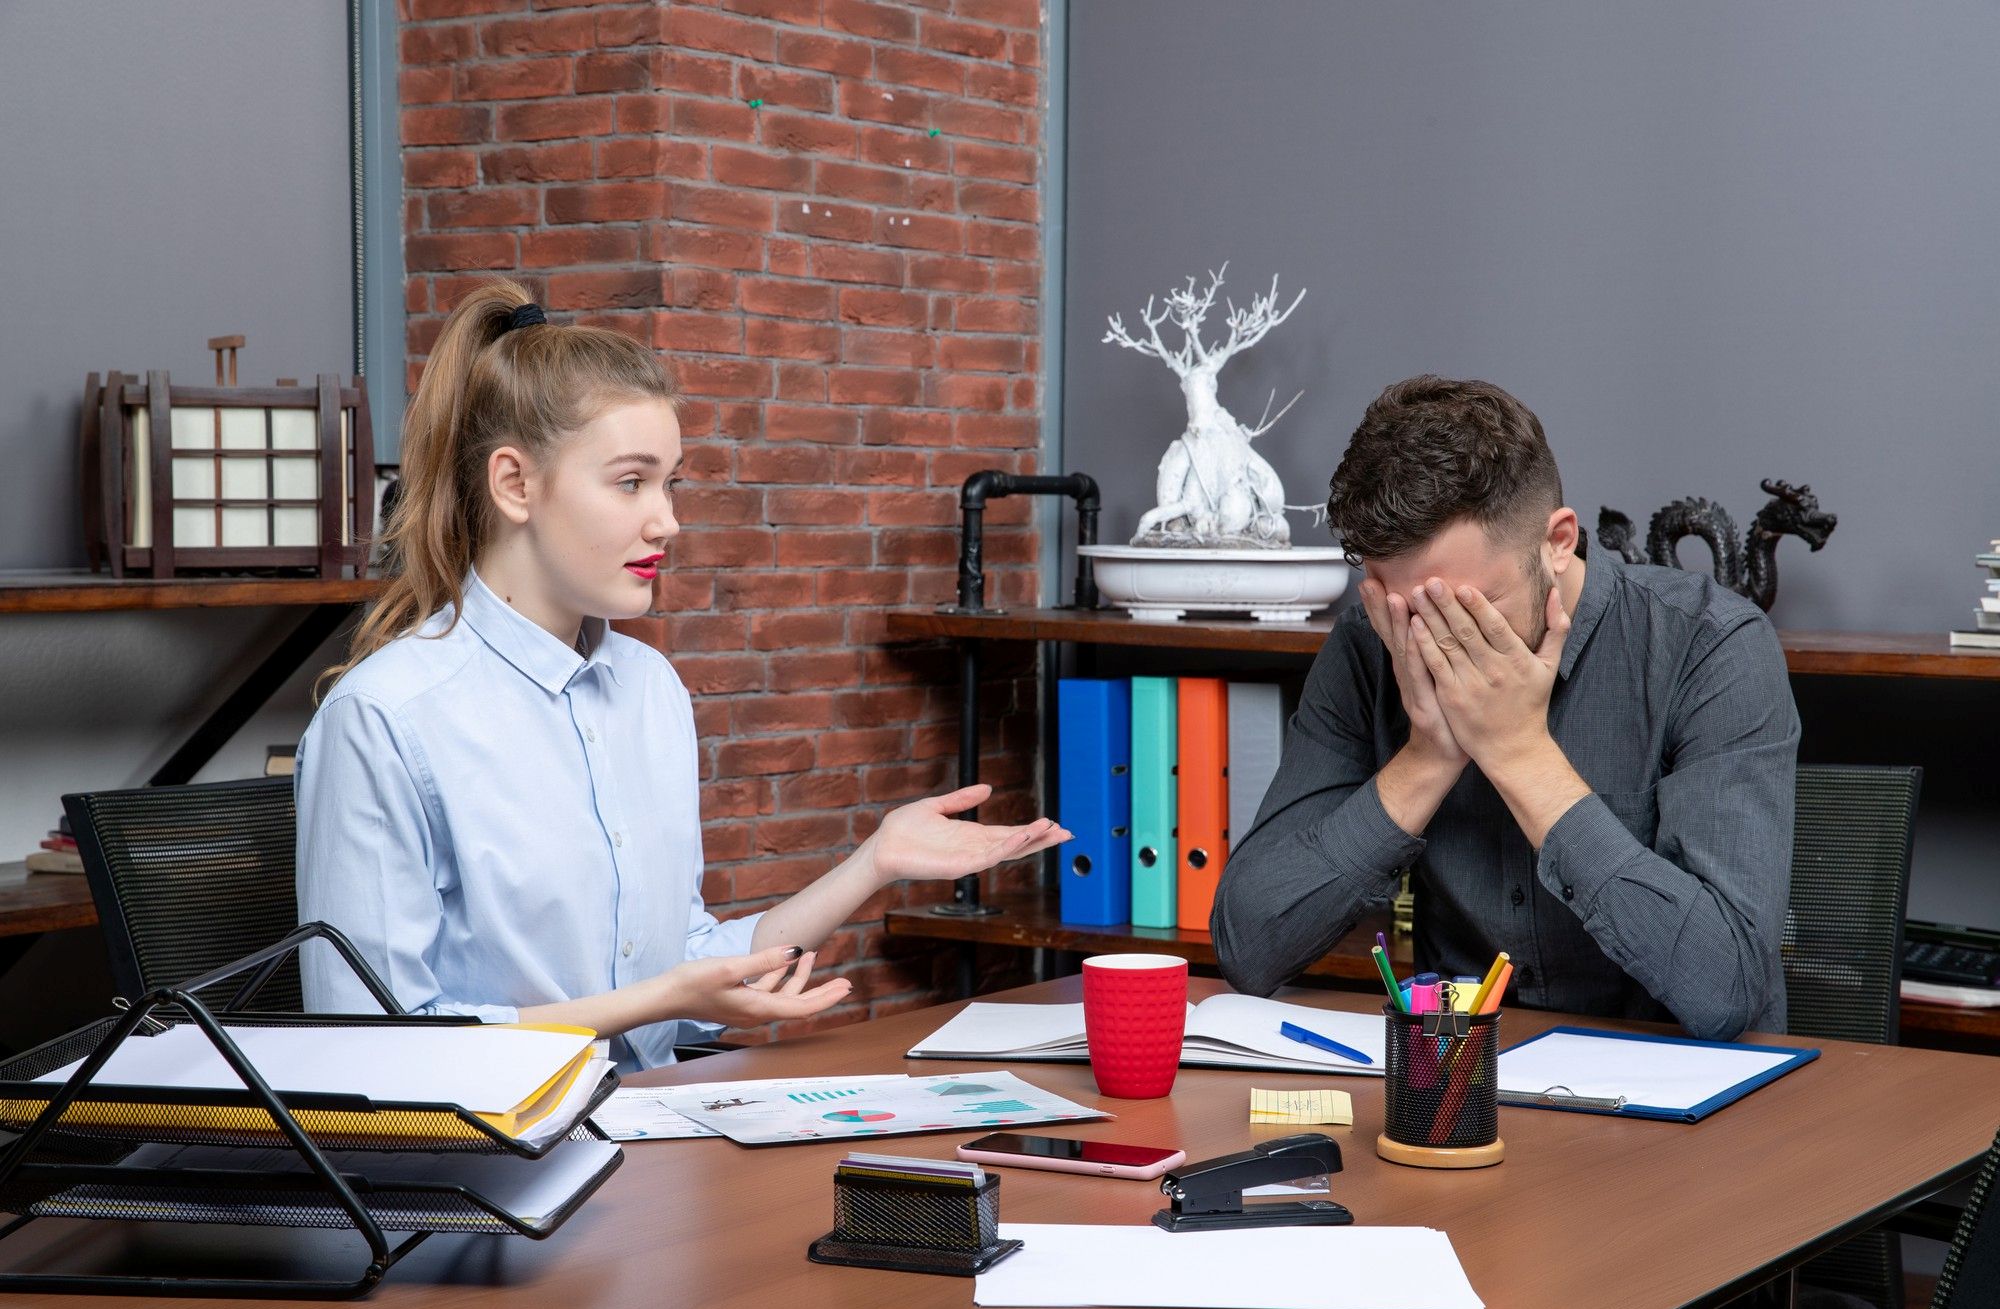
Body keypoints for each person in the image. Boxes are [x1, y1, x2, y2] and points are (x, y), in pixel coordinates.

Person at [297, 280, 1069, 1068]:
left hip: (652, 1132)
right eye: (631, 482)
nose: (666, 519)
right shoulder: (385, 717)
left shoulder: (649, 688)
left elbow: (688, 961)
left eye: (670, 483)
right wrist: (662, 1002)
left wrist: (875, 860)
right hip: (481, 1174)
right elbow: (369, 1044)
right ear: (515, 484)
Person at [1212, 375, 1799, 1040]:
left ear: (1557, 542)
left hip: (1696, 1111)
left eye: (1465, 610)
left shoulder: (1710, 645)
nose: (1435, 645)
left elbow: (1726, 988)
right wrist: (1429, 756)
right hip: (1461, 1094)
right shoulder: (1369, 648)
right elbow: (1248, 944)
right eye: (1407, 613)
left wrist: (1520, 753)